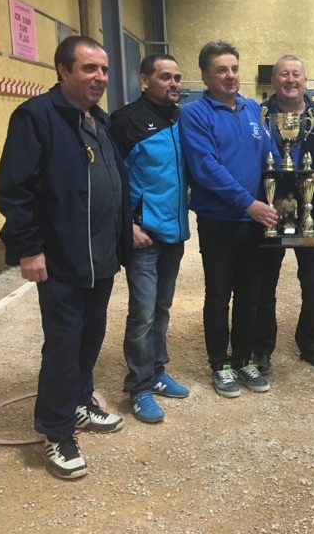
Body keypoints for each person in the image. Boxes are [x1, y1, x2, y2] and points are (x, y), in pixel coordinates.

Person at [0, 35, 130, 479]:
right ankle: (55, 431)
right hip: (61, 260)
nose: (100, 78)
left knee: (90, 339)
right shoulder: (36, 118)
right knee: (64, 345)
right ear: (63, 70)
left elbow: (110, 184)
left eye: (104, 70)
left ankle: (78, 405)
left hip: (101, 257)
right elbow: (14, 192)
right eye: (90, 69)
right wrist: (29, 248)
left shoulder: (100, 122)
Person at [180, 40, 280, 398]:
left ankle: (243, 358)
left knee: (250, 293)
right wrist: (248, 204)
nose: (230, 76)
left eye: (234, 68)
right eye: (221, 70)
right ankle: (220, 364)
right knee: (219, 294)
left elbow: (270, 156)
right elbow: (206, 168)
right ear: (206, 75)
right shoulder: (195, 114)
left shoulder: (252, 109)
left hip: (255, 221)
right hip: (219, 221)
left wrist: (282, 191)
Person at [109, 53, 190, 423]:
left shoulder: (181, 118)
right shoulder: (126, 121)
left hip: (174, 233)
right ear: (145, 81)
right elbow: (113, 181)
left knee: (161, 308)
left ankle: (157, 372)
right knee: (141, 312)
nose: (173, 83)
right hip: (144, 235)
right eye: (164, 77)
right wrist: (129, 226)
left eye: (176, 77)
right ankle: (139, 387)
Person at [253, 55, 314, 376]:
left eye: (296, 74)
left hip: (310, 211)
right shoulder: (256, 116)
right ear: (272, 81)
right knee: (264, 283)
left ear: (305, 80)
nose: (290, 80)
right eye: (283, 74)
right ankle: (261, 347)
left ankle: (311, 343)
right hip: (270, 211)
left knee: (313, 282)